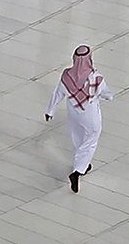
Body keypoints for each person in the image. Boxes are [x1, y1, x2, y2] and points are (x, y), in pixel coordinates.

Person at [44, 47, 114, 193]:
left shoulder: (66, 76)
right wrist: (108, 96)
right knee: (91, 140)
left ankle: (84, 164)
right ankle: (78, 171)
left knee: (78, 138)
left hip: (73, 114)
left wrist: (50, 111)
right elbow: (107, 94)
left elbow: (58, 94)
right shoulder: (96, 78)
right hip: (90, 115)